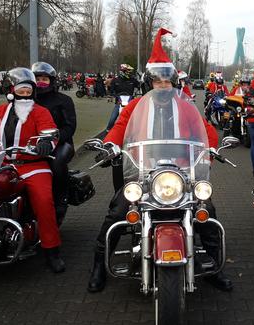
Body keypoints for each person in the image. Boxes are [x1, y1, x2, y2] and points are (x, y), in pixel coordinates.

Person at [87, 27, 233, 293]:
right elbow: (119, 128)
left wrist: (213, 149)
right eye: (158, 82)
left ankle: (214, 265)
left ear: (174, 83)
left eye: (167, 82)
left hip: (183, 173)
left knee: (207, 211)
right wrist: (109, 146)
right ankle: (99, 264)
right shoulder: (134, 107)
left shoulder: (187, 107)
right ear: (149, 84)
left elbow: (207, 131)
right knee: (118, 212)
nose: (163, 86)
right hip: (143, 173)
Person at [0, 68, 65, 272]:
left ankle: (52, 250)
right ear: (11, 91)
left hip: (33, 166)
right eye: (21, 91)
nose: (25, 95)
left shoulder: (40, 112)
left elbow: (50, 132)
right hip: (2, 165)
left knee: (44, 201)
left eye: (28, 91)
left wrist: (46, 143)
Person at [32, 61, 78, 220]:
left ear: (52, 81)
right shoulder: (27, 99)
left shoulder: (63, 100)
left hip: (61, 143)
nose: (41, 82)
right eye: (37, 78)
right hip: (32, 143)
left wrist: (54, 139)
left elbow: (70, 126)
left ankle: (61, 197)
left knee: (56, 161)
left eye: (45, 79)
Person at [106, 64, 139, 132]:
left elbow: (139, 86)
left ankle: (137, 131)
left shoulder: (133, 80)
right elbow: (111, 90)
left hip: (130, 102)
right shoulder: (115, 80)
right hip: (119, 102)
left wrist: (137, 92)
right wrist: (112, 95)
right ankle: (108, 131)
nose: (130, 73)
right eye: (128, 71)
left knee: (136, 118)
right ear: (123, 71)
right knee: (112, 119)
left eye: (130, 71)